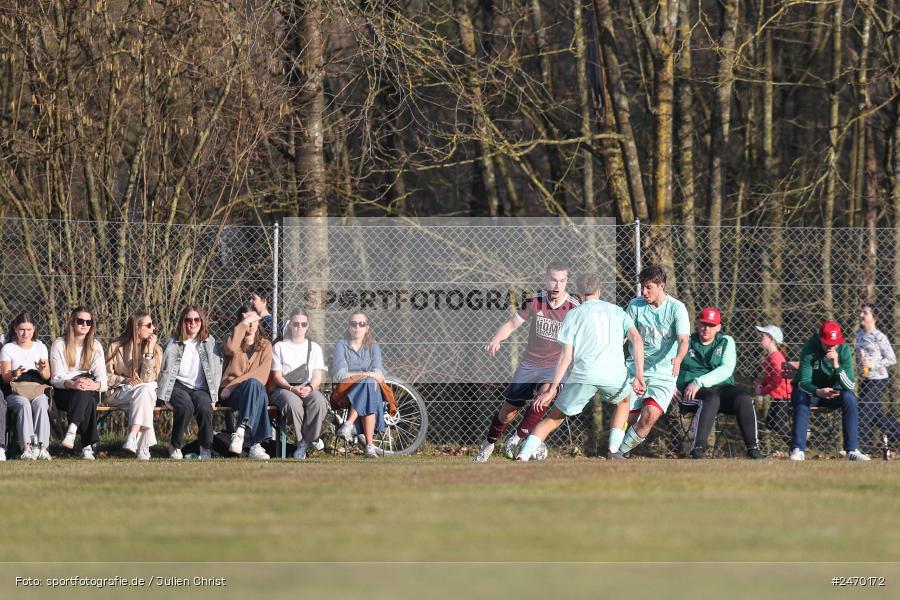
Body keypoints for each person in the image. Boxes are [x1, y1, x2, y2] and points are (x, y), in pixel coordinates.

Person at [516, 272, 645, 461]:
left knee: (554, 418)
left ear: (577, 293)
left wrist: (552, 389)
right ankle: (613, 449)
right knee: (624, 402)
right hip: (614, 375)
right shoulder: (617, 311)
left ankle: (523, 455)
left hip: (584, 375)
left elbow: (565, 356)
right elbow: (637, 339)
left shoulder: (573, 314)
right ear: (599, 291)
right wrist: (639, 375)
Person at [474, 262, 580, 462]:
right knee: (507, 413)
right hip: (530, 364)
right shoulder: (534, 301)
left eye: (562, 281)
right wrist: (497, 339)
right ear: (546, 280)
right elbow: (512, 324)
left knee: (544, 398)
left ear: (567, 282)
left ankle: (518, 438)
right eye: (553, 280)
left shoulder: (574, 308)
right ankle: (488, 444)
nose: (557, 285)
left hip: (555, 366)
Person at [608, 265, 690, 458]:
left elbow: (684, 339)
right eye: (642, 287)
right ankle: (613, 449)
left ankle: (619, 453)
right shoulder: (635, 306)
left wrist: (678, 359)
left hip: (664, 374)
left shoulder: (677, 308)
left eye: (648, 287)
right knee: (626, 413)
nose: (643, 292)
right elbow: (625, 335)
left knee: (650, 415)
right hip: (635, 370)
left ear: (661, 286)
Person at [675, 307, 765, 459]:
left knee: (744, 399)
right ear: (697, 324)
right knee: (710, 398)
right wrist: (671, 385)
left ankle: (753, 449)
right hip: (691, 391)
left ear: (718, 327)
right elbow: (670, 364)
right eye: (703, 324)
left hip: (719, 387)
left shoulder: (726, 341)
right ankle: (698, 449)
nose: (706, 328)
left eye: (711, 325)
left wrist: (699, 381)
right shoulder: (686, 341)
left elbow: (726, 369)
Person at [790, 320, 869, 461]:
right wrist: (818, 391)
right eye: (827, 343)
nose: (831, 347)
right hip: (810, 391)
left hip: (831, 392)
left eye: (835, 344)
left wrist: (836, 365)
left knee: (850, 398)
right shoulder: (810, 348)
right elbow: (803, 382)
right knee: (802, 399)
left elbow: (849, 385)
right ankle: (798, 449)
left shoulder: (844, 349)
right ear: (821, 339)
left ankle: (852, 450)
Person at [158, 305, 222, 460]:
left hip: (200, 388)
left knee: (204, 407)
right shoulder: (173, 342)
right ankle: (175, 446)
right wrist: (165, 396)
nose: (193, 323)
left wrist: (214, 398)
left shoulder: (209, 342)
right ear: (183, 322)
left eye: (196, 319)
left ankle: (205, 448)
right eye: (189, 320)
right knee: (185, 406)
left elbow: (216, 370)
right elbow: (164, 369)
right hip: (177, 386)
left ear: (202, 321)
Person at [269, 309, 328, 459]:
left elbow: (317, 377)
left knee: (320, 401)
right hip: (284, 387)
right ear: (290, 325)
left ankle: (309, 439)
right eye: (296, 324)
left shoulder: (314, 347)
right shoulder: (279, 346)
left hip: (306, 386)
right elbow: (276, 376)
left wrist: (310, 388)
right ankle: (303, 441)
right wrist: (292, 388)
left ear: (307, 326)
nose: (299, 327)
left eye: (303, 324)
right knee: (293, 403)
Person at [50, 306, 107, 460]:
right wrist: (73, 384)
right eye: (80, 321)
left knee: (86, 390)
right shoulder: (59, 344)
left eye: (88, 322)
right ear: (72, 322)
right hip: (65, 391)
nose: (84, 325)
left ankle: (72, 432)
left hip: (88, 388)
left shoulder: (95, 346)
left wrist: (94, 385)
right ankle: (87, 447)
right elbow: (56, 379)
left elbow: (103, 380)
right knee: (85, 395)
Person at [106, 310, 162, 460]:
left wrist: (149, 352)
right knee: (146, 394)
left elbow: (148, 380)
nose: (153, 328)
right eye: (149, 325)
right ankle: (142, 447)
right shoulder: (115, 346)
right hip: (119, 393)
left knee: (144, 392)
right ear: (137, 327)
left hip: (142, 393)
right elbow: (104, 376)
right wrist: (123, 380)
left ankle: (132, 436)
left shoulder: (156, 350)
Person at [220, 305, 273, 460]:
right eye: (246, 321)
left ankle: (241, 430)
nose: (251, 324)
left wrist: (233, 384)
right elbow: (229, 349)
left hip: (243, 389)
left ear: (259, 322)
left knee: (254, 384)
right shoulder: (233, 342)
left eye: (254, 320)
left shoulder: (265, 345)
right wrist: (242, 326)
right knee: (259, 396)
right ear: (240, 323)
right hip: (230, 393)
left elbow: (261, 375)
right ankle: (255, 445)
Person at [333, 312, 386, 459]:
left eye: (361, 324)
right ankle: (369, 446)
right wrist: (365, 376)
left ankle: (348, 424)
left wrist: (366, 376)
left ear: (367, 327)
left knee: (369, 385)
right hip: (347, 390)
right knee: (368, 384)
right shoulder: (341, 345)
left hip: (370, 389)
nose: (357, 327)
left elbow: (378, 372)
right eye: (354, 324)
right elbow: (340, 374)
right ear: (348, 327)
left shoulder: (374, 346)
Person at [0, 313, 51, 460]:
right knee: (23, 405)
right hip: (16, 392)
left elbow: (47, 376)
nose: (25, 333)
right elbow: (5, 376)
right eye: (22, 329)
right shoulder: (8, 348)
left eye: (29, 329)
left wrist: (42, 370)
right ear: (15, 329)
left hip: (36, 389)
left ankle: (43, 448)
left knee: (42, 403)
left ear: (34, 329)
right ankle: (27, 447)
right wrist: (14, 374)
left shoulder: (40, 347)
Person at [855, 304, 900, 451]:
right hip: (865, 380)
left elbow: (892, 359)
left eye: (865, 313)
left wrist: (873, 365)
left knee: (863, 413)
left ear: (875, 318)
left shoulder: (880, 337)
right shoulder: (858, 334)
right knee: (876, 416)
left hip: (879, 380)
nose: (861, 315)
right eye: (862, 312)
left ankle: (861, 449)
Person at [755, 324, 792, 450]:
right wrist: (761, 384)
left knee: (777, 423)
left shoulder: (776, 357)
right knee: (770, 423)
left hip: (785, 397)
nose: (760, 337)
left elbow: (778, 378)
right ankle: (798, 440)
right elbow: (769, 377)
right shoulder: (770, 357)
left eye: (763, 336)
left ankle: (798, 443)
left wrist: (763, 391)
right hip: (778, 397)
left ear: (771, 339)